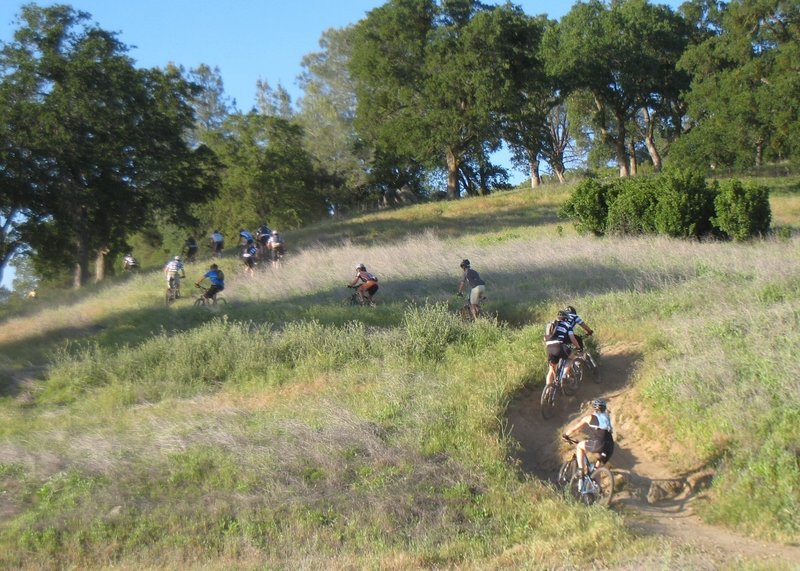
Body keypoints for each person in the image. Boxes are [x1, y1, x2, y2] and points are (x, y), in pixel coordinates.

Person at [563, 398, 614, 476]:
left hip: (599, 443)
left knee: (580, 446)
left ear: (594, 408)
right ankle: (597, 487)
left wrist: (566, 435)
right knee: (595, 472)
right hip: (610, 447)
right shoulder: (607, 418)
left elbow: (574, 429)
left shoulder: (589, 417)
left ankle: (581, 470)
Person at [544, 309, 580, 387]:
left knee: (551, 370)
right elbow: (572, 338)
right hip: (559, 346)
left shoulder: (550, 324)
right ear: (566, 318)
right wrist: (578, 347)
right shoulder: (567, 325)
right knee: (571, 358)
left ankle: (548, 390)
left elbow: (545, 338)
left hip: (549, 347)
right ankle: (564, 375)